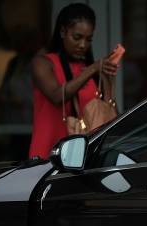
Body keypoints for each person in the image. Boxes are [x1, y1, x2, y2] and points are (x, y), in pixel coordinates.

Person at [29, 3, 118, 159]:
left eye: (88, 39)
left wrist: (106, 79)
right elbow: (57, 97)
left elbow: (108, 113)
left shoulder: (91, 69)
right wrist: (93, 69)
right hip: (47, 153)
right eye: (77, 37)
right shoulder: (42, 63)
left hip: (80, 157)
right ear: (63, 32)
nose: (83, 45)